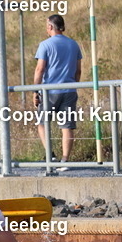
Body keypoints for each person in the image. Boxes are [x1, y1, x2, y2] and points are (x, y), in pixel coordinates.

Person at [33, 14, 82, 170]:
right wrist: (73, 85)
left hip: (50, 91)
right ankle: (65, 160)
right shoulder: (74, 44)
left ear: (50, 27)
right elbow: (78, 70)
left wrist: (35, 90)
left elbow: (40, 69)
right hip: (69, 89)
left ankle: (51, 156)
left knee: (42, 123)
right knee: (66, 126)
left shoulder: (45, 45)